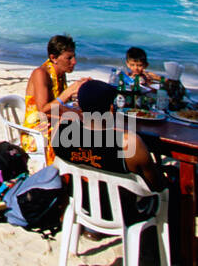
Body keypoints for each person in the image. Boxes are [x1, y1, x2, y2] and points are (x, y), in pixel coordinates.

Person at [52, 79, 167, 221]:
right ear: (112, 109)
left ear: (79, 107)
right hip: (123, 211)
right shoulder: (128, 143)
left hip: (82, 204)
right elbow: (156, 185)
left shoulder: (60, 131)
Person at [22, 35, 86, 164]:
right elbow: (43, 110)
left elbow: (58, 104)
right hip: (37, 131)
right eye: (69, 58)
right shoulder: (41, 73)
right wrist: (67, 93)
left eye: (74, 57)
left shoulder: (60, 74)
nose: (74, 62)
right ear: (53, 58)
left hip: (54, 121)